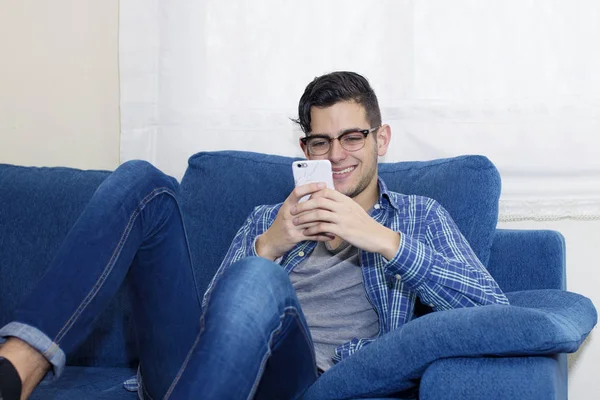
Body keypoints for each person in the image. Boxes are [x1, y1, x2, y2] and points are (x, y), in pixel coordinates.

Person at [0, 71, 509, 400]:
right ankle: (22, 362)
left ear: (381, 139)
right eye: (320, 142)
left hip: (296, 378)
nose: (336, 157)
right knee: (143, 182)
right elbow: (210, 328)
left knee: (257, 280)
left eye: (353, 137)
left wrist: (379, 238)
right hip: (194, 373)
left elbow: (498, 318)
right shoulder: (269, 219)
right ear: (304, 149)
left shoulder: (418, 217)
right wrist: (270, 245)